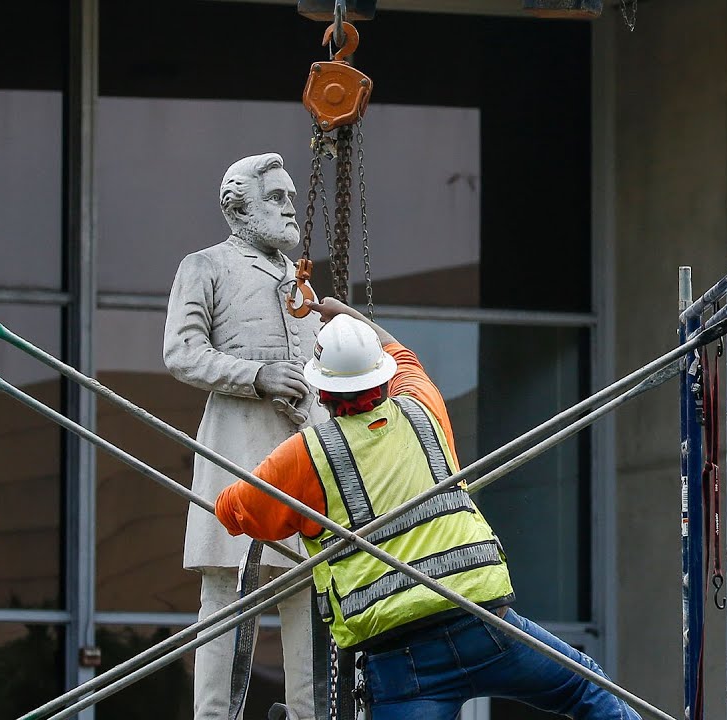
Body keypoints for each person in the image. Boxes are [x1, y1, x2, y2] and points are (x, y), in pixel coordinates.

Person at [215, 298, 641, 720]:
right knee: (589, 688)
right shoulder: (423, 406)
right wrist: (346, 315)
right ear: (383, 378)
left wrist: (280, 477)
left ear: (322, 392)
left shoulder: (306, 456)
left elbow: (233, 510)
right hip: (484, 624)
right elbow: (401, 354)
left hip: (403, 662)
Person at [164, 153, 327, 720]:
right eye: (276, 197)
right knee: (229, 594)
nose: (290, 208)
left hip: (304, 453)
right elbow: (181, 352)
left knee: (311, 592)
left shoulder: (300, 279)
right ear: (239, 207)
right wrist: (254, 376)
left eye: (289, 196)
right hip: (238, 444)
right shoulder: (206, 265)